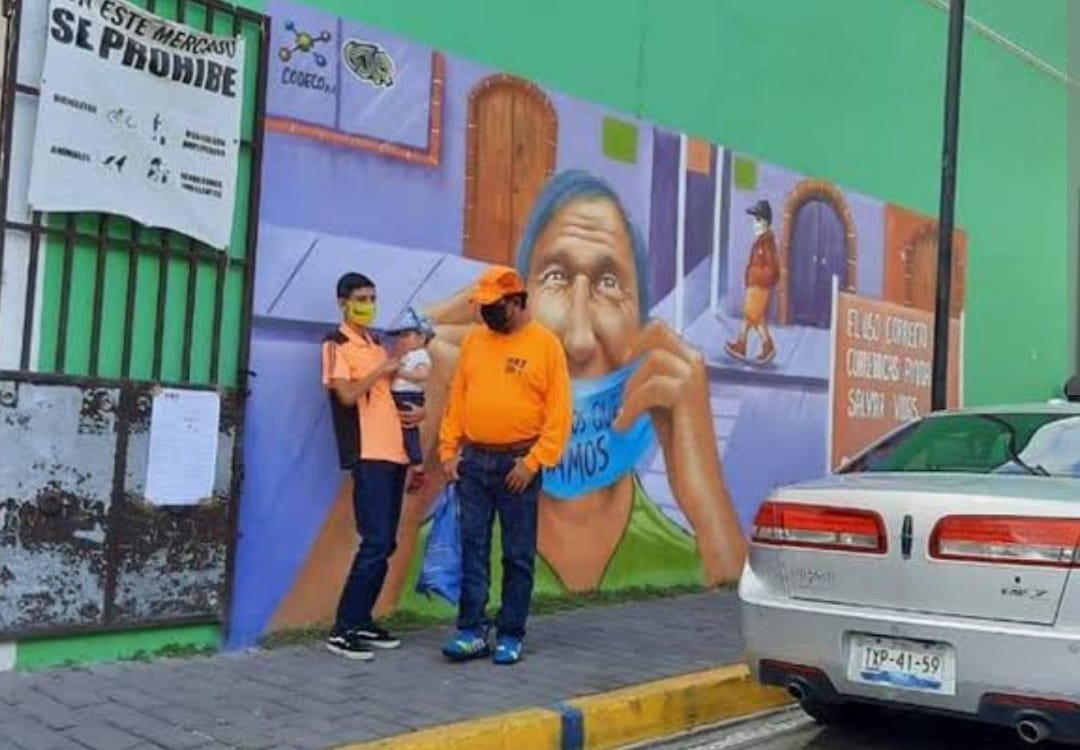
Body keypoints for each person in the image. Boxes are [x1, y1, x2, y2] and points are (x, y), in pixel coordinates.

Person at [438, 265, 572, 665]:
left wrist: (533, 463)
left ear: (516, 302)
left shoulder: (546, 346)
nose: (486, 314)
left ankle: (511, 633)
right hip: (473, 464)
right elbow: (458, 396)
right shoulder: (475, 342)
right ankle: (471, 630)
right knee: (473, 547)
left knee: (516, 553)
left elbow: (559, 414)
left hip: (519, 464)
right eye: (482, 307)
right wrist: (449, 450)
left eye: (494, 306)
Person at [320, 272, 425, 660]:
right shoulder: (336, 344)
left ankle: (362, 620)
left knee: (386, 542)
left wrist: (418, 418)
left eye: (373, 297)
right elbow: (346, 394)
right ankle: (343, 628)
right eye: (361, 298)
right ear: (343, 302)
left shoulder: (377, 345)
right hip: (367, 454)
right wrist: (381, 370)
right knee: (376, 540)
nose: (368, 304)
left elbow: (400, 395)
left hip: (395, 453)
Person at [725, 199, 780, 365]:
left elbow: (773, 270)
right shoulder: (761, 242)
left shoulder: (767, 244)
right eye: (753, 221)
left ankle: (767, 345)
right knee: (750, 316)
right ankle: (741, 345)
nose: (754, 225)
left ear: (765, 222)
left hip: (759, 287)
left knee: (753, 315)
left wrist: (755, 274)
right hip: (754, 285)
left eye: (757, 221)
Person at [389, 307, 434, 494]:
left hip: (408, 396)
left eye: (407, 335)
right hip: (400, 394)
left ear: (421, 338)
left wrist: (401, 372)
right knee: (402, 430)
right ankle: (414, 465)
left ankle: (418, 467)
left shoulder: (420, 355)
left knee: (408, 430)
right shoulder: (407, 355)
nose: (402, 339)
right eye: (400, 335)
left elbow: (422, 375)